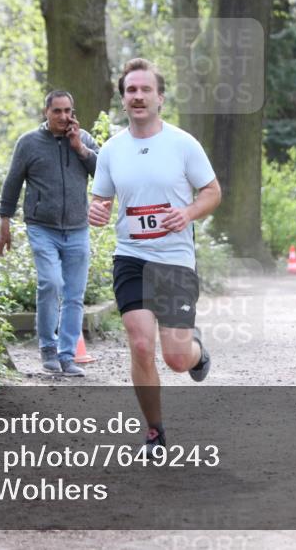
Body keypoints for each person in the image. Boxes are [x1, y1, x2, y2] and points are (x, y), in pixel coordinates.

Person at [88, 58, 222, 456]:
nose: (139, 96)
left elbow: (212, 191)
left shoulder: (183, 144)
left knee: (177, 359)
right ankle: (155, 432)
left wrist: (187, 213)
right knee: (141, 345)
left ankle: (198, 351)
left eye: (146, 89)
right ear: (123, 98)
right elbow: (102, 201)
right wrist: (96, 210)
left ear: (160, 97)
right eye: (131, 90)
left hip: (174, 260)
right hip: (131, 257)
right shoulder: (111, 150)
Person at [0, 90, 100, 376]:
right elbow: (12, 184)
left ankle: (67, 356)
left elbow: (104, 172)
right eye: (57, 111)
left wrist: (79, 147)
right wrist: (4, 222)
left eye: (68, 111)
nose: (64, 117)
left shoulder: (84, 139)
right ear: (46, 112)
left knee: (74, 294)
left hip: (78, 228)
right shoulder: (29, 143)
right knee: (51, 284)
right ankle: (48, 349)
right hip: (42, 227)